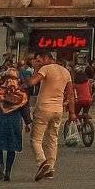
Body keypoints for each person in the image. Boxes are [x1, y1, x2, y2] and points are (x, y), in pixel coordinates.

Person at [24, 51, 74, 181]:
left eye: (39, 59)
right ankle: (50, 169)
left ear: (46, 58)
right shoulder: (66, 71)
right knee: (52, 139)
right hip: (58, 110)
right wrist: (72, 112)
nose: (38, 62)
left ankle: (42, 162)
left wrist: (35, 71)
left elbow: (32, 82)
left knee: (36, 139)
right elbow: (70, 94)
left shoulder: (45, 69)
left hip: (44, 108)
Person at [0, 72, 26, 181]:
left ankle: (0, 164)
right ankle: (8, 171)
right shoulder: (21, 94)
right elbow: (25, 109)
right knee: (12, 147)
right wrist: (28, 123)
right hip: (14, 122)